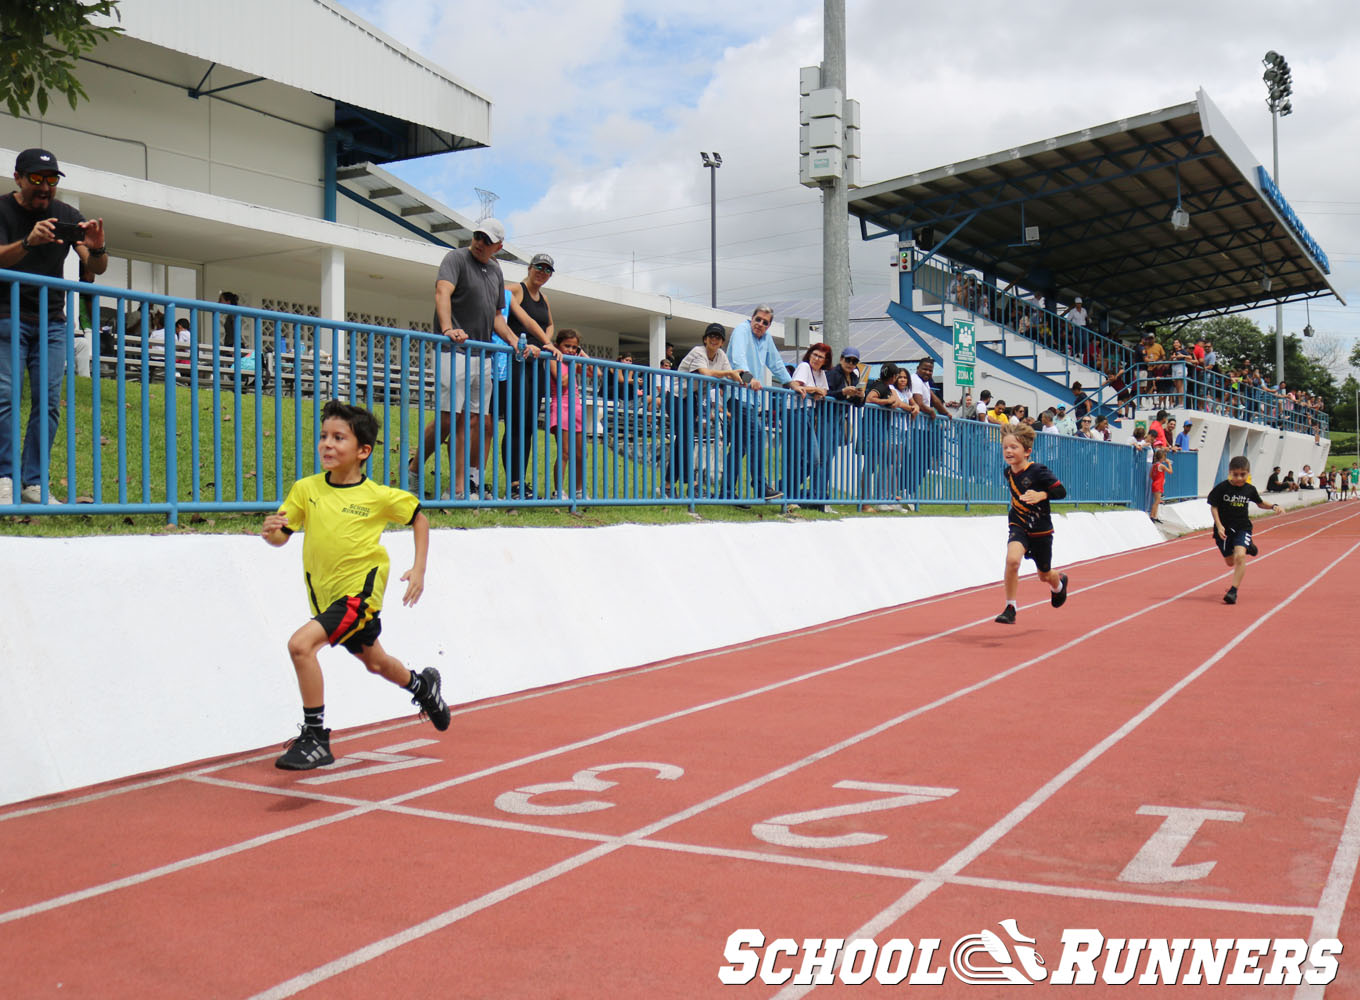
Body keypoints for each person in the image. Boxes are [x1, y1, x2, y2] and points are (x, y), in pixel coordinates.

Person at [261, 399, 447, 770]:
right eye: (324, 437)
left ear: (363, 450)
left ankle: (315, 737)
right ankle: (423, 687)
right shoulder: (306, 489)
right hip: (327, 601)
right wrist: (272, 534)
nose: (328, 445)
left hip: (357, 599)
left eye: (339, 438)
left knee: (301, 646)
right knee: (376, 663)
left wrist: (419, 569)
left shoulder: (376, 496)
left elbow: (419, 519)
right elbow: (284, 533)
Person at [0, 148, 108, 505]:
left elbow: (95, 266)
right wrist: (30, 241)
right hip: (6, 316)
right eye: (36, 180)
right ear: (18, 178)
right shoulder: (2, 209)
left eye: (51, 181)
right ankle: (4, 478)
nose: (45, 188)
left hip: (51, 321)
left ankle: (33, 483)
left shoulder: (65, 215)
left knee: (47, 403)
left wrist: (96, 248)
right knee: (4, 398)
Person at [429, 219, 515, 500]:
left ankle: (458, 487)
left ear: (498, 247)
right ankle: (416, 468)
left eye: (487, 240)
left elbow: (496, 317)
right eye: (478, 236)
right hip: (453, 351)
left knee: (474, 421)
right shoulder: (455, 258)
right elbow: (443, 292)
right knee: (448, 419)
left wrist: (514, 341)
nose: (480, 242)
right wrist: (446, 328)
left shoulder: (495, 270)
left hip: (482, 353)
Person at [994, 423, 1068, 624]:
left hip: (1041, 530)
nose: (1008, 451)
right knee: (1012, 561)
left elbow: (1061, 492)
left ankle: (1059, 584)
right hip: (1018, 525)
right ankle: (1010, 607)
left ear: (1027, 451)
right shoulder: (1007, 473)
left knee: (1044, 575)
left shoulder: (1038, 471)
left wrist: (1042, 494)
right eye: (1005, 447)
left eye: (1013, 447)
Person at [502, 252, 558, 499]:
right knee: (515, 423)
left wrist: (546, 342)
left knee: (528, 426)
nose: (542, 273)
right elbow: (520, 320)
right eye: (539, 267)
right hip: (518, 360)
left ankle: (522, 482)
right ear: (529, 267)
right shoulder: (515, 289)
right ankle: (513, 483)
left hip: (537, 365)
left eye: (547, 270)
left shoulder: (544, 298)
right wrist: (539, 343)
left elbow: (549, 324)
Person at [1208, 455, 1283, 605]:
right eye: (1235, 475)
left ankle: (1233, 591)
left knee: (1239, 557)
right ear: (1230, 472)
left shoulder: (1249, 489)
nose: (1239, 478)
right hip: (1223, 530)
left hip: (1242, 527)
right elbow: (1214, 506)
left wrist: (1273, 506)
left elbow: (1260, 503)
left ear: (1248, 473)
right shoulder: (1222, 488)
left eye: (1243, 475)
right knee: (1230, 562)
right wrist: (1219, 525)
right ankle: (1249, 547)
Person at [547, 329, 599, 499]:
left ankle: (579, 490)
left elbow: (596, 372)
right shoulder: (555, 360)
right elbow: (561, 382)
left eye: (573, 347)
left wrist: (581, 354)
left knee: (581, 453)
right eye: (566, 346)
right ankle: (558, 491)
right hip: (561, 405)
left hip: (575, 407)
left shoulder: (574, 360)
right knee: (565, 452)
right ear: (558, 345)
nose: (569, 350)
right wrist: (572, 363)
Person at [787, 342, 832, 510]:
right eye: (815, 355)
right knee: (798, 455)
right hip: (796, 411)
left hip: (808, 413)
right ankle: (788, 494)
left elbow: (824, 391)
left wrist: (816, 391)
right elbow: (797, 385)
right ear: (809, 355)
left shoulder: (820, 373)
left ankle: (784, 488)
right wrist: (815, 390)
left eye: (821, 357)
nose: (817, 359)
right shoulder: (804, 366)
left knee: (813, 459)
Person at [1149, 448, 1172, 523]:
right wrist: (1168, 463)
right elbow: (1170, 471)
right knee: (1157, 501)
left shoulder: (1154, 465)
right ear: (1162, 457)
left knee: (1157, 501)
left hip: (1155, 483)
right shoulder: (1162, 466)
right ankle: (1152, 515)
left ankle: (1155, 515)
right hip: (1158, 485)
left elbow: (1151, 475)